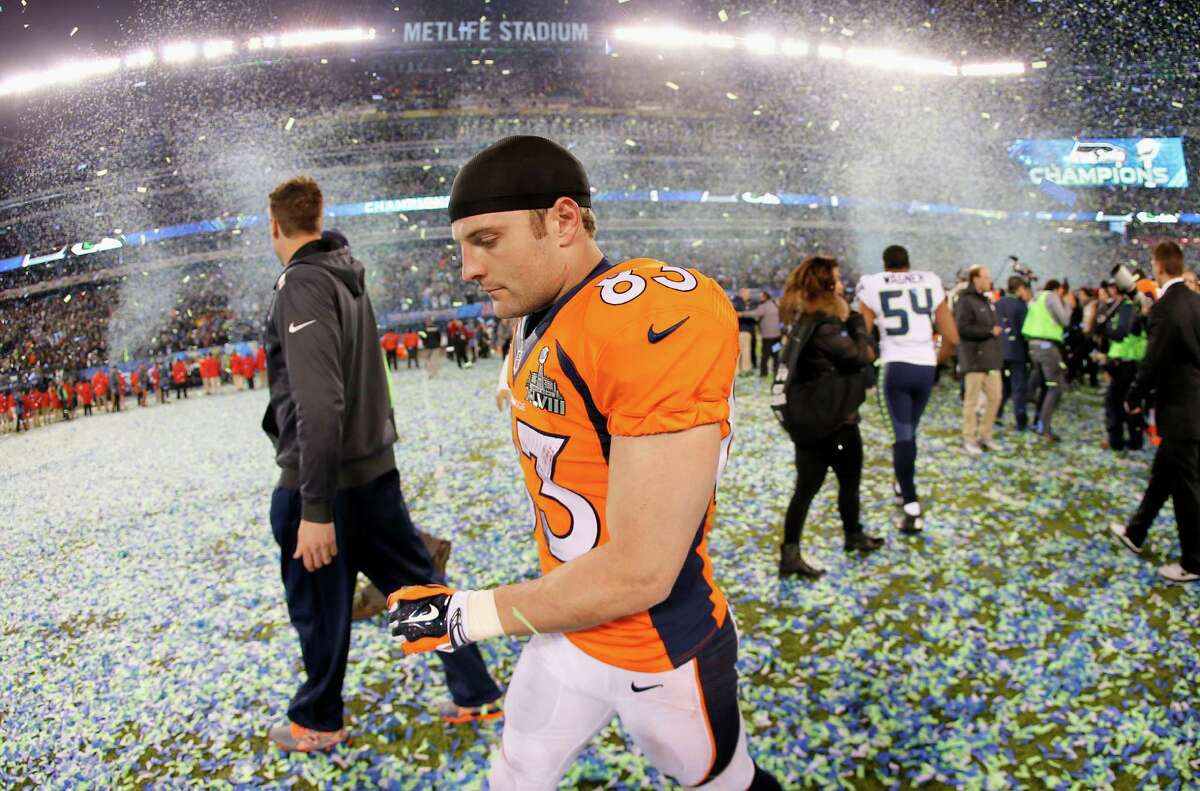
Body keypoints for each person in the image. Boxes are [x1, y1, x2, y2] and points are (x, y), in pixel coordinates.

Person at [386, 137, 782, 790]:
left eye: (487, 239)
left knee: (722, 783)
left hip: (661, 649)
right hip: (566, 628)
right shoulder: (539, 312)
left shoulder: (646, 312)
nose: (467, 268)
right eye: (462, 245)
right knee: (514, 772)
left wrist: (459, 615)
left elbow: (641, 570)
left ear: (564, 221)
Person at [260, 176, 502, 753]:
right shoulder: (347, 276)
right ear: (320, 218)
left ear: (274, 226)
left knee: (320, 609)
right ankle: (474, 691)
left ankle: (318, 719)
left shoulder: (303, 284)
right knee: (416, 591)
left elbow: (319, 402)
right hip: (372, 472)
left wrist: (314, 508)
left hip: (328, 485)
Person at [776, 256, 884, 578]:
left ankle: (811, 547)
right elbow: (862, 356)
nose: (842, 284)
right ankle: (839, 540)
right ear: (826, 285)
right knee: (834, 484)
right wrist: (856, 322)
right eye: (836, 279)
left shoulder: (805, 319)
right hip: (834, 423)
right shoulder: (826, 324)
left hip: (817, 419)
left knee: (819, 487)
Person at [1109, 242, 1200, 584]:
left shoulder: (1166, 307)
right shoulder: (1195, 302)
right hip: (1190, 407)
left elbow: (1154, 361)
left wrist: (1134, 396)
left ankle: (1193, 561)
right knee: (1162, 478)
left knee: (1186, 489)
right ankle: (1135, 533)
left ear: (1158, 266)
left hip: (1180, 411)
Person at [856, 245, 959, 534]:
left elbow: (862, 337)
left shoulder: (873, 283)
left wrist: (873, 359)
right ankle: (902, 484)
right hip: (924, 367)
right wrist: (933, 361)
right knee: (909, 433)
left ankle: (912, 507)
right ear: (908, 263)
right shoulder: (929, 281)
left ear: (885, 264)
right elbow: (952, 337)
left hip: (895, 366)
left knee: (902, 437)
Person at [954, 265, 1003, 454]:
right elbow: (963, 328)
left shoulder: (986, 301)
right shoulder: (965, 301)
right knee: (971, 401)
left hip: (991, 359)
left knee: (995, 397)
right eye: (986, 277)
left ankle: (985, 434)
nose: (989, 280)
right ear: (976, 279)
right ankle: (969, 438)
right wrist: (988, 331)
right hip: (974, 359)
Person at [1022, 280, 1075, 442]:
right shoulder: (1051, 297)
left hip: (1033, 344)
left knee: (1043, 384)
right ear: (1058, 289)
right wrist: (1068, 305)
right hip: (1047, 345)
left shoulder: (1036, 299)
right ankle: (1044, 427)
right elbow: (1065, 321)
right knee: (1055, 387)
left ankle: (1034, 413)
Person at [1097, 283, 1146, 451]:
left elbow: (1120, 333)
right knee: (1129, 402)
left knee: (1116, 403)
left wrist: (1106, 326)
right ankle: (1134, 440)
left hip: (1125, 361)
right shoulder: (1137, 306)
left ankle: (1118, 440)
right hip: (1133, 360)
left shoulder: (1126, 306)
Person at [995, 276, 1031, 431]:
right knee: (1018, 387)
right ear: (1019, 289)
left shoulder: (997, 304)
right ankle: (1020, 419)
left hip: (1000, 350)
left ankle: (996, 414)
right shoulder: (1021, 306)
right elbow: (1025, 329)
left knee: (1000, 385)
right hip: (1017, 350)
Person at [739, 289, 782, 379]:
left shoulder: (764, 306)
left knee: (765, 355)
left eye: (760, 296)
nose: (758, 298)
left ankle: (763, 373)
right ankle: (776, 370)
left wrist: (741, 314)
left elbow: (754, 313)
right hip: (777, 335)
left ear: (764, 297)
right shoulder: (775, 304)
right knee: (775, 354)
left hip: (768, 336)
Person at [731, 287, 757, 375]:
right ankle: (745, 369)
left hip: (740, 330)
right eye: (748, 294)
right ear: (743, 293)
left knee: (739, 351)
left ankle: (738, 370)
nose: (749, 296)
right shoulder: (739, 302)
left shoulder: (737, 302)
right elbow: (739, 314)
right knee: (745, 350)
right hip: (743, 329)